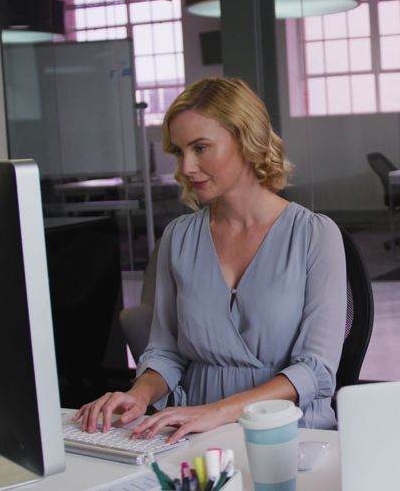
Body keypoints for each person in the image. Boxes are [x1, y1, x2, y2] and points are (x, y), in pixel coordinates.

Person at [74, 77, 346, 440]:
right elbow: (165, 353)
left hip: (288, 430)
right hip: (190, 432)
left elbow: (317, 370)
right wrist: (138, 395)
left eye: (201, 148)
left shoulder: (315, 235)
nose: (186, 167)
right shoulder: (179, 237)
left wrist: (217, 413)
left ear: (247, 141)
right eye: (179, 151)